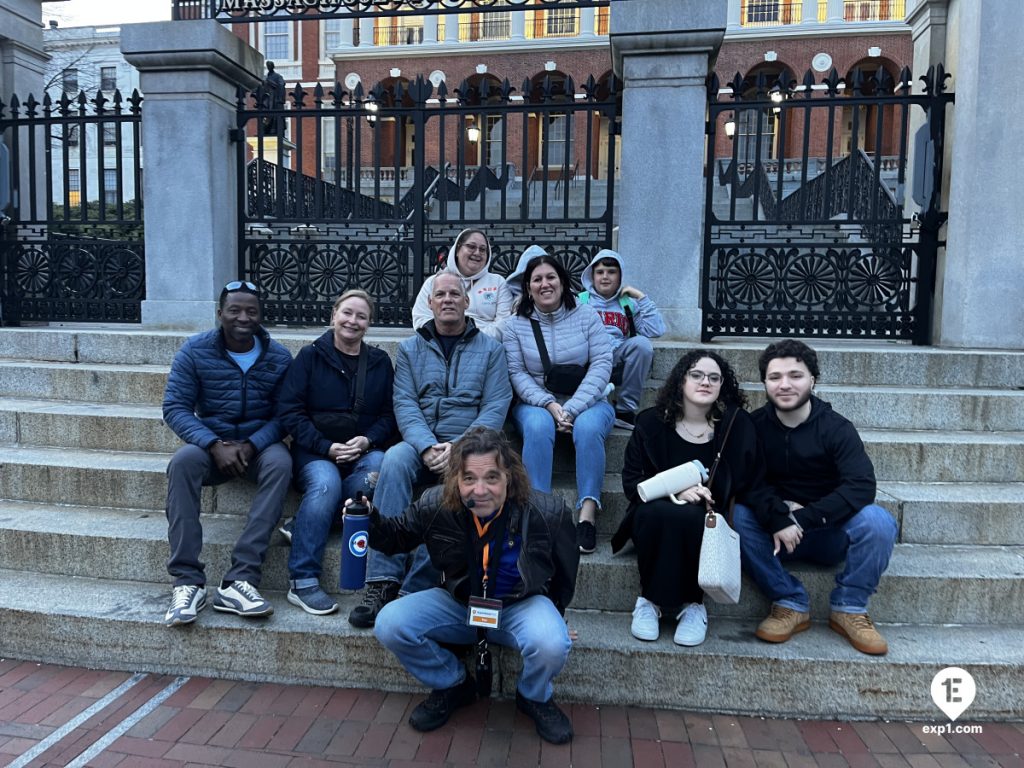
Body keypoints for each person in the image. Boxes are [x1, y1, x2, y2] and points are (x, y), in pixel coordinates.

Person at [370, 427, 579, 744]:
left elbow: (566, 572)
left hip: (518, 606)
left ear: (509, 475)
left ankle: (534, 696)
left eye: (491, 478)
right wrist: (368, 520)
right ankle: (452, 682)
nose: (480, 490)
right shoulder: (435, 504)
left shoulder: (548, 513)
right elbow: (396, 536)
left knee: (551, 641)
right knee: (389, 622)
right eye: (469, 479)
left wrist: (557, 613)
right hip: (459, 603)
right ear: (456, 479)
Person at [348, 272, 513, 627]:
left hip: (470, 446)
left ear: (467, 302)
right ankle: (382, 581)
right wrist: (424, 447)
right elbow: (404, 402)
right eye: (442, 295)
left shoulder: (492, 350)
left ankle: (416, 587)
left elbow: (495, 407)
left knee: (447, 495)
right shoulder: (410, 348)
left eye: (456, 293)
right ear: (431, 302)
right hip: (419, 441)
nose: (449, 299)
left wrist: (459, 449)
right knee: (392, 459)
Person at [732, 339, 897, 655]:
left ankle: (849, 607)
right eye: (775, 377)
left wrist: (802, 516)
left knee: (878, 521)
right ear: (764, 383)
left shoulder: (836, 428)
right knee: (737, 515)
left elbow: (861, 486)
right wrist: (779, 514)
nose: (785, 385)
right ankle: (789, 601)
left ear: (813, 380)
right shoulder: (753, 427)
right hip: (773, 537)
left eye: (795, 375)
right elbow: (746, 482)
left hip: (826, 534)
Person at [613, 351, 768, 646]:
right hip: (653, 510)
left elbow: (750, 476)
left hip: (707, 513)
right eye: (696, 375)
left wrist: (711, 493)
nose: (705, 382)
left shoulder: (736, 426)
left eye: (714, 377)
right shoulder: (650, 423)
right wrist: (678, 491)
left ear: (723, 385)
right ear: (681, 380)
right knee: (656, 514)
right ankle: (649, 602)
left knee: (695, 518)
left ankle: (693, 605)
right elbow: (632, 483)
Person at [162, 280, 293, 626]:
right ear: (220, 313)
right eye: (234, 310)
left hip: (258, 446)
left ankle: (240, 579)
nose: (243, 317)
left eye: (251, 310)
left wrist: (253, 444)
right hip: (212, 444)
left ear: (261, 315)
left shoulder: (278, 357)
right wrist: (211, 444)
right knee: (182, 462)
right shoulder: (195, 350)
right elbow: (175, 407)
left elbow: (286, 415)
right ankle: (187, 580)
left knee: (282, 463)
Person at [276, 290, 396, 615]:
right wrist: (325, 447)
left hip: (362, 453)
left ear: (369, 324)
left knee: (380, 467)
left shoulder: (381, 363)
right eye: (347, 313)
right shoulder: (310, 357)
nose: (352, 321)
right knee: (326, 484)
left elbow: (389, 415)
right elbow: (290, 411)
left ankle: (305, 523)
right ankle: (302, 581)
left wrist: (366, 441)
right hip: (315, 453)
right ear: (333, 315)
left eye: (361, 316)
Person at [502, 253, 614, 555]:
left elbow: (603, 362)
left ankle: (587, 514)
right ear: (528, 287)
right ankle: (538, 513)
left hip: (588, 398)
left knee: (589, 428)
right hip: (537, 401)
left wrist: (574, 408)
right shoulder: (515, 325)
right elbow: (516, 373)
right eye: (536, 279)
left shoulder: (587, 314)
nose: (544, 284)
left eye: (550, 277)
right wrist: (550, 405)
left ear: (563, 282)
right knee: (537, 427)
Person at [577, 249, 666, 430]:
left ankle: (625, 410)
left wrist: (640, 297)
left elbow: (656, 330)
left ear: (620, 276)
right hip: (587, 360)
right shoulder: (580, 301)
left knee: (642, 344)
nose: (605, 277)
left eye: (611, 272)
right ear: (592, 276)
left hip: (616, 359)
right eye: (600, 272)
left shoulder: (627, 303)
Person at [411, 228, 513, 339]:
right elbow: (421, 319)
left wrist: (475, 340)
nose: (477, 253)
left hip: (486, 348)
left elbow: (505, 323)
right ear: (458, 249)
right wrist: (451, 339)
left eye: (483, 249)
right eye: (471, 247)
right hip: (443, 346)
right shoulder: (434, 282)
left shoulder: (498, 282)